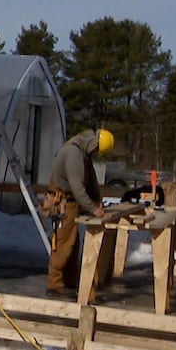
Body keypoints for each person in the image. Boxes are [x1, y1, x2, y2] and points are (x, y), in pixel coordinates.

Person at [45, 128, 113, 298]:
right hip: (63, 203)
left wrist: (97, 199)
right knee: (63, 244)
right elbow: (78, 188)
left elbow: (90, 182)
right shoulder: (73, 154)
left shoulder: (83, 153)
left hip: (71, 204)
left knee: (73, 244)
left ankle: (69, 280)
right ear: (95, 145)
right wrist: (93, 209)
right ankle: (54, 283)